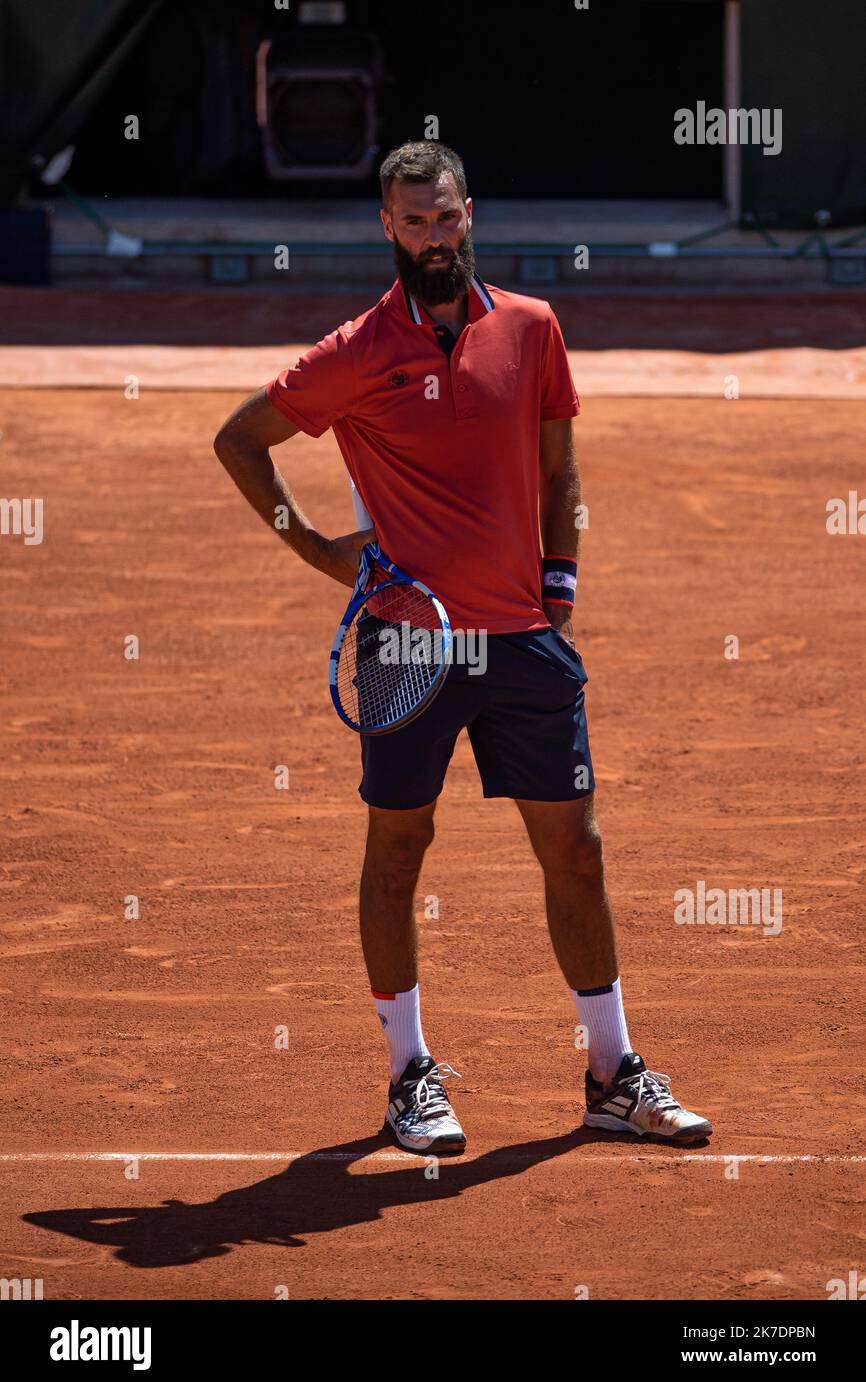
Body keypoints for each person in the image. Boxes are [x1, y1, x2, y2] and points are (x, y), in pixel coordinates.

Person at [214, 140, 711, 1154]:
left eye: (445, 219)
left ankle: (612, 1073)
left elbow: (558, 464)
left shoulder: (531, 328)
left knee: (574, 850)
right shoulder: (352, 351)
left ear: (467, 214)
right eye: (413, 222)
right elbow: (240, 438)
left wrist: (559, 580)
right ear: (385, 229)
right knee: (397, 852)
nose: (433, 237)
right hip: (406, 648)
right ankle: (408, 1076)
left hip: (523, 639)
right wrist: (312, 548)